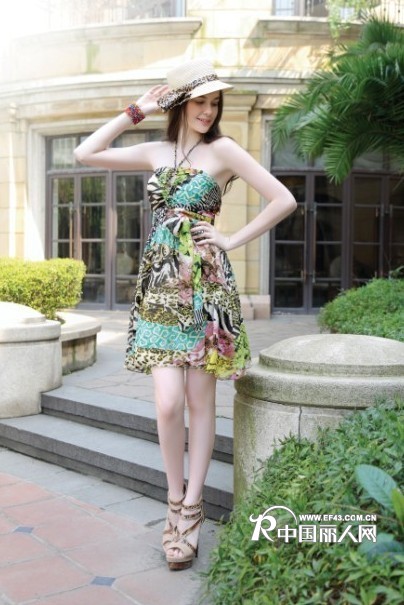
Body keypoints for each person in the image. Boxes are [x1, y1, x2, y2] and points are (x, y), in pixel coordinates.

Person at [74, 58, 297, 571]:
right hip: (159, 288)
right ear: (179, 103)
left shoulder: (224, 150)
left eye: (214, 102)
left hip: (205, 287)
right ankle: (173, 497)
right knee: (168, 403)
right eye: (200, 101)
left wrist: (230, 239)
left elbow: (282, 199)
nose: (208, 111)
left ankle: (191, 509)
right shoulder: (155, 151)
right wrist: (136, 110)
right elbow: (86, 152)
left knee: (200, 403)